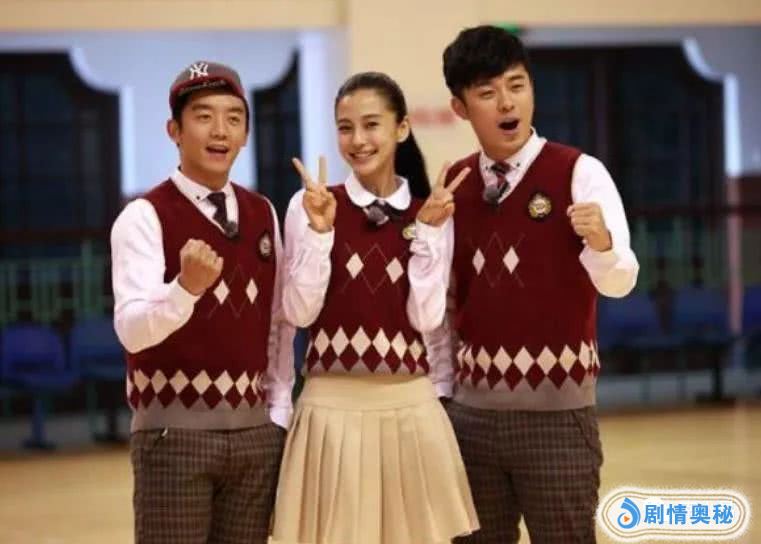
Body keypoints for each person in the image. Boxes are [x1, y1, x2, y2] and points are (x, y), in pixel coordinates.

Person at [407, 26, 640, 543]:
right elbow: (437, 311)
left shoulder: (580, 172)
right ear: (461, 107)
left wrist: (602, 243)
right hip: (471, 419)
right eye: (487, 92)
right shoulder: (454, 189)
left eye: (517, 85)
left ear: (532, 88)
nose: (507, 103)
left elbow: (621, 282)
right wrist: (444, 399)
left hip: (558, 416)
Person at [271, 71, 479, 544]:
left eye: (371, 125)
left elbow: (427, 318)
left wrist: (428, 233)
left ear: (401, 128)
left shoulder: (432, 211)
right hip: (329, 411)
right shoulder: (310, 205)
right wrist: (321, 232)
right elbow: (299, 313)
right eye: (345, 128)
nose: (358, 140)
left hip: (411, 410)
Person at [110, 60, 294, 544]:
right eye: (203, 116)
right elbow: (131, 330)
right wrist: (184, 290)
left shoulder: (263, 212)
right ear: (174, 130)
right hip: (173, 436)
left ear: (246, 133)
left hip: (255, 435)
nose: (220, 130)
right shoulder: (144, 216)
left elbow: (276, 323)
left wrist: (277, 417)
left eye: (234, 118)